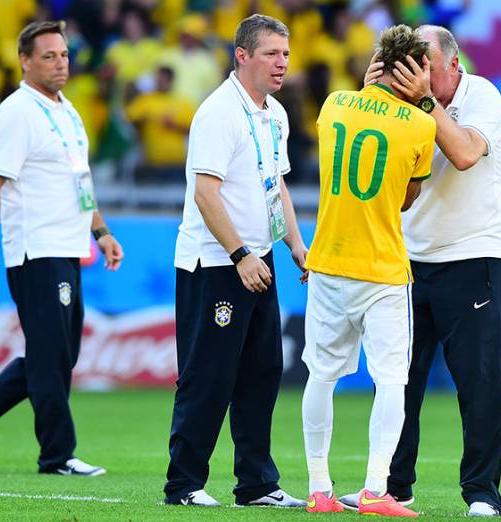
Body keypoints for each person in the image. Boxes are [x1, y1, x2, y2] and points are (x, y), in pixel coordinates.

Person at [0, 21, 124, 476]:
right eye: (49, 56)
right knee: (50, 356)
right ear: (25, 60)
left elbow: (81, 181)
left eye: (63, 55)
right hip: (35, 249)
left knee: (57, 355)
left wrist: (101, 231)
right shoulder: (15, 113)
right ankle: (57, 455)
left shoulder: (67, 110)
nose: (60, 63)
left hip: (68, 246)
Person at [351, 25, 501, 517]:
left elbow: (463, 154)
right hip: (409, 257)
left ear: (454, 66)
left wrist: (422, 103)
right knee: (398, 380)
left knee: (478, 382)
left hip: (471, 254)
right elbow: (372, 174)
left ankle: (482, 493)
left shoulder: (481, 94)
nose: (416, 75)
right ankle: (393, 487)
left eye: (427, 66)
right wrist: (369, 99)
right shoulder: (397, 102)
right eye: (409, 64)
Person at [164, 14, 308, 508]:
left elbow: (277, 185)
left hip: (259, 258)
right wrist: (240, 253)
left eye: (285, 54)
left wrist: (294, 243)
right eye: (271, 53)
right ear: (242, 56)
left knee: (262, 371)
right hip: (217, 263)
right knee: (209, 374)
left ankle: (257, 485)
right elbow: (206, 194)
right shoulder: (218, 112)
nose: (282, 63)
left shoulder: (276, 114)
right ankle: (183, 484)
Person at [300, 24, 435, 517]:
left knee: (321, 375)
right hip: (381, 269)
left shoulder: (335, 103)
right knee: (392, 380)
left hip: (329, 260)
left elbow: (353, 127)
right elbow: (405, 198)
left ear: (377, 63)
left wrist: (364, 89)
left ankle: (319, 490)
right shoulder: (422, 125)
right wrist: (417, 105)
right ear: (415, 71)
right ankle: (376, 487)